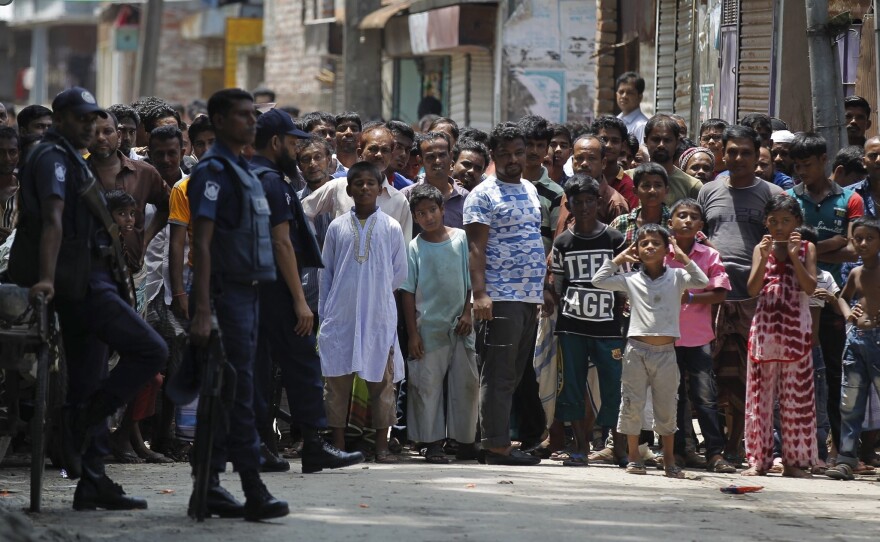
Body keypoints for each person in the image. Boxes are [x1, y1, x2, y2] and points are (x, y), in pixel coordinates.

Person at [10, 86, 167, 510]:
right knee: (151, 350)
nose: (89, 126)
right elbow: (53, 221)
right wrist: (45, 279)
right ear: (61, 120)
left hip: (93, 278)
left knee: (88, 380)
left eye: (92, 118)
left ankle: (92, 479)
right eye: (80, 119)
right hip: (79, 283)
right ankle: (79, 422)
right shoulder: (52, 158)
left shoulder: (71, 160)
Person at [186, 88, 288, 521]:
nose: (252, 122)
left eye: (254, 114)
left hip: (247, 293)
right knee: (240, 393)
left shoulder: (241, 168)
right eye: (244, 115)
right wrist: (204, 309)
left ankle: (206, 488)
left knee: (226, 394)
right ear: (221, 121)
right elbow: (202, 244)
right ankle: (253, 487)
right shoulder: (213, 171)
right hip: (226, 296)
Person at [248, 108, 366, 474]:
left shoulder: (253, 176)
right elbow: (281, 243)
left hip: (254, 288)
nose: (295, 151)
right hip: (277, 288)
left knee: (259, 369)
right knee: (302, 362)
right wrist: (300, 301)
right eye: (290, 142)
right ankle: (314, 444)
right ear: (275, 142)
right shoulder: (270, 181)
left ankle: (262, 447)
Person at [593, 224, 709, 479]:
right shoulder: (631, 279)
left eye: (655, 243)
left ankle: (669, 459)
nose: (649, 247)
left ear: (667, 248)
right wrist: (619, 259)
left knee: (667, 406)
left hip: (666, 352)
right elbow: (598, 280)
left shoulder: (677, 277)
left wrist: (683, 257)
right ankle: (634, 457)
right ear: (637, 249)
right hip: (636, 350)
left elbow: (702, 281)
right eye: (643, 243)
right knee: (632, 403)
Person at [463, 121, 549, 466]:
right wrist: (480, 294)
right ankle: (495, 447)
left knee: (513, 372)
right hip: (500, 296)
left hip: (529, 297)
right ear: (493, 157)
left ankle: (499, 438)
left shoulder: (529, 188)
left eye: (518, 152)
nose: (513, 159)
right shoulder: (483, 194)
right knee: (498, 373)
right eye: (504, 154)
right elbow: (474, 249)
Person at [698, 124, 783, 464]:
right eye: (731, 152)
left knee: (749, 376)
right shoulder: (708, 191)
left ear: (756, 155)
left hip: (754, 300)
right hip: (714, 298)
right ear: (722, 153)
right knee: (712, 373)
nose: (738, 158)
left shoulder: (772, 194)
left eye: (746, 152)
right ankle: (714, 447)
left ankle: (740, 446)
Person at [319, 161, 408, 463]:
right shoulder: (336, 227)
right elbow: (326, 273)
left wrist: (375, 295)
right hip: (340, 316)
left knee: (382, 385)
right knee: (336, 385)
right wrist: (326, 315)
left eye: (371, 183)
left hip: (378, 316)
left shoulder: (391, 227)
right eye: (359, 183)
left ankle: (382, 447)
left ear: (380, 189)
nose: (366, 188)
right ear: (350, 188)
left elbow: (399, 273)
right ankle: (339, 446)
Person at [549, 175, 626, 467]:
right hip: (571, 327)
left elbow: (622, 285)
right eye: (577, 202)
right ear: (569, 204)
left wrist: (620, 320)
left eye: (589, 201)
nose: (583, 207)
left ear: (599, 202)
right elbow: (558, 284)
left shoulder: (614, 239)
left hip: (607, 327)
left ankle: (618, 445)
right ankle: (580, 446)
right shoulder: (563, 242)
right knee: (572, 385)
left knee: (613, 385)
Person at [400, 184, 478, 463]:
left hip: (461, 325)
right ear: (415, 217)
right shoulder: (414, 247)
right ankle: (432, 442)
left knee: (466, 384)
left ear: (443, 210)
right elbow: (408, 291)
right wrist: (412, 334)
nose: (428, 217)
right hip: (428, 327)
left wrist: (468, 313)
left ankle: (465, 441)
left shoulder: (460, 239)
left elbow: (470, 280)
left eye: (432, 210)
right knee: (426, 385)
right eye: (421, 213)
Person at [743, 194, 817, 478]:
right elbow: (751, 289)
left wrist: (796, 256)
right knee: (759, 398)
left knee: (796, 399)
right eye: (773, 221)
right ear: (766, 222)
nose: (779, 227)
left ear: (797, 222)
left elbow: (809, 287)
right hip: (765, 328)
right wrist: (763, 257)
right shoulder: (760, 248)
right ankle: (758, 460)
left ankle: (794, 462)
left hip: (795, 330)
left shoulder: (807, 248)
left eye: (786, 221)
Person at [665, 199, 735, 473]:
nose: (687, 221)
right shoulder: (660, 253)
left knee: (705, 397)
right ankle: (680, 451)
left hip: (698, 338)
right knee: (675, 396)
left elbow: (721, 293)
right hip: (668, 337)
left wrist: (691, 296)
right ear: (670, 223)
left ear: (701, 226)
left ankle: (715, 453)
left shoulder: (708, 255)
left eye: (693, 217)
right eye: (681, 215)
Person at [826, 218, 880, 480]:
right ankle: (847, 459)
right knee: (850, 403)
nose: (863, 243)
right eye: (858, 238)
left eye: (870, 238)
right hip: (856, 341)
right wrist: (848, 314)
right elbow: (842, 298)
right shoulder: (856, 273)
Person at [301, 123, 413, 242]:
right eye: (373, 149)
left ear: (390, 155)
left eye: (385, 150)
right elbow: (303, 210)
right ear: (360, 152)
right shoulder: (339, 186)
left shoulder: (399, 201)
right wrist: (314, 245)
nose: (379, 155)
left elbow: (403, 249)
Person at [797, 225, 836, 471]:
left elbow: (838, 299)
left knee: (817, 406)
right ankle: (784, 451)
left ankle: (818, 454)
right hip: (789, 348)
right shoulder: (779, 275)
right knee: (785, 403)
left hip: (813, 347)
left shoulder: (824, 277)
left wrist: (832, 299)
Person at [556, 135, 629, 235]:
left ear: (603, 163)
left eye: (591, 158)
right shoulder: (567, 194)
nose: (584, 163)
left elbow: (620, 247)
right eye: (579, 158)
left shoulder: (615, 204)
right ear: (572, 162)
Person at [628, 115, 702, 207]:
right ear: (646, 141)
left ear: (677, 143)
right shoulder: (628, 178)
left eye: (667, 140)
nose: (661, 145)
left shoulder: (692, 186)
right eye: (656, 139)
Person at [400, 131, 469, 229]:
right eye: (430, 157)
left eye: (442, 155)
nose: (437, 161)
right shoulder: (406, 196)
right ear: (420, 160)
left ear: (451, 156)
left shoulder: (466, 198)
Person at [518, 115, 564, 255]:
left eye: (540, 145)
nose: (534, 151)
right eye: (529, 144)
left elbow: (557, 240)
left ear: (546, 150)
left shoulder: (556, 193)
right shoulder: (506, 185)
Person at [593, 115, 638, 208]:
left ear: (623, 144)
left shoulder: (628, 186)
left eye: (615, 141)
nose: (608, 145)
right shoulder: (586, 175)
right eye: (603, 139)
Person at [105, 189, 138, 272]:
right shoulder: (106, 247)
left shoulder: (121, 241)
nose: (129, 219)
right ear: (108, 215)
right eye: (122, 214)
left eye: (132, 213)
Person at [615, 72, 649, 143]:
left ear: (640, 97)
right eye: (621, 92)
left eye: (629, 93)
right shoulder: (616, 120)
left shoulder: (642, 126)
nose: (624, 96)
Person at [0, 126, 19, 242]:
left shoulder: (28, 190)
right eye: (0, 152)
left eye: (12, 152)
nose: (6, 159)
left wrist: (14, 237)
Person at [386, 119, 416, 189]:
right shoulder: (361, 180)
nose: (403, 154)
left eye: (408, 150)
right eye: (398, 147)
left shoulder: (407, 188)